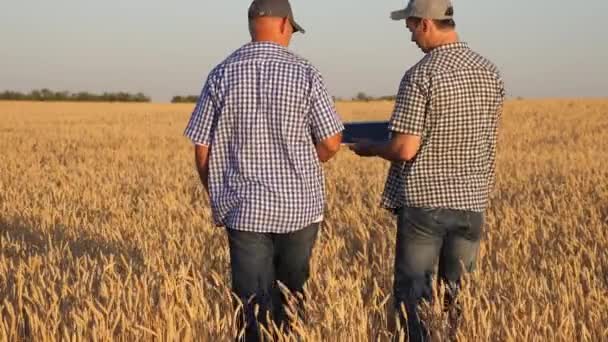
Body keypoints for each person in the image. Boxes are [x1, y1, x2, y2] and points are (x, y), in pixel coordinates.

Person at [184, 0, 343, 340]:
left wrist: (217, 192)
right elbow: (331, 142)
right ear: (285, 24)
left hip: (245, 208)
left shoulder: (222, 73)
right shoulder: (306, 73)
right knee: (292, 299)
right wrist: (305, 162)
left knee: (251, 305)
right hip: (300, 206)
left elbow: (201, 148)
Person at [350, 0, 505, 340]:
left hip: (425, 202)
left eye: (410, 28)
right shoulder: (489, 71)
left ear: (424, 24)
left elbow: (405, 148)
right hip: (472, 202)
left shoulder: (422, 73)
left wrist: (372, 148)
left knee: (415, 296)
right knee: (459, 297)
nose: (410, 38)